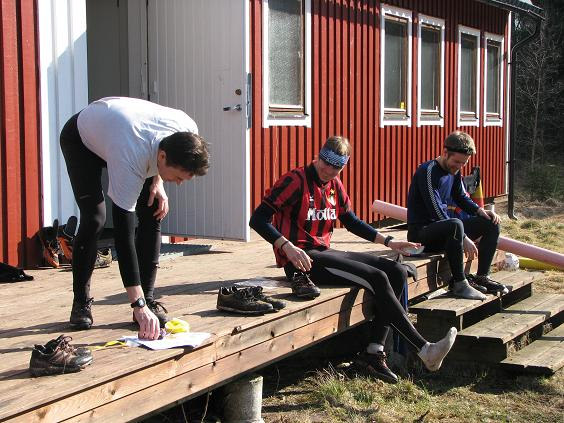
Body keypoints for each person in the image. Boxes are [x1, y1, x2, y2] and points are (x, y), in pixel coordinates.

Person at [250, 135, 458, 383]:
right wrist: (287, 247)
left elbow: (351, 221)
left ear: (343, 166)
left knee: (396, 271)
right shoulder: (295, 180)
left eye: (336, 166)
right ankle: (425, 349)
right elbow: (258, 219)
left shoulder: (334, 184)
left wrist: (390, 242)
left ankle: (373, 354)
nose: (328, 170)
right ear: (319, 155)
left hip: (324, 252)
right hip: (301, 262)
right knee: (377, 278)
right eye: (325, 162)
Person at [60, 96, 210, 340]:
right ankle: (81, 303)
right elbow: (123, 235)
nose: (180, 184)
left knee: (153, 209)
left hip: (123, 133)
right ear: (162, 157)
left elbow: (160, 153)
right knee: (95, 218)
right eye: (179, 177)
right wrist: (136, 304)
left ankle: (149, 300)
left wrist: (158, 181)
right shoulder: (130, 154)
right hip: (82, 139)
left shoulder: (187, 131)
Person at [406, 131, 506, 301]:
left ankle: (482, 276)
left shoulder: (455, 171)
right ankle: (459, 283)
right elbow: (436, 210)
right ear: (445, 153)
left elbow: (460, 196)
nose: (459, 167)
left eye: (463, 163)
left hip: (447, 230)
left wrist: (479, 211)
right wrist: (464, 237)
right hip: (422, 235)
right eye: (456, 162)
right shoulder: (427, 172)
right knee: (455, 224)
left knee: (491, 223)